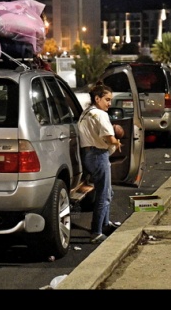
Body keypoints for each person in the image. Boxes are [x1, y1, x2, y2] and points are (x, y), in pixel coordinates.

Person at [78, 82, 122, 244]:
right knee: (103, 194)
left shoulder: (86, 113)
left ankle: (105, 224)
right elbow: (109, 137)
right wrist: (116, 142)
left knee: (107, 192)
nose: (110, 104)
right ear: (97, 98)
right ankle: (96, 231)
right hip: (98, 154)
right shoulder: (101, 115)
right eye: (107, 100)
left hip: (88, 154)